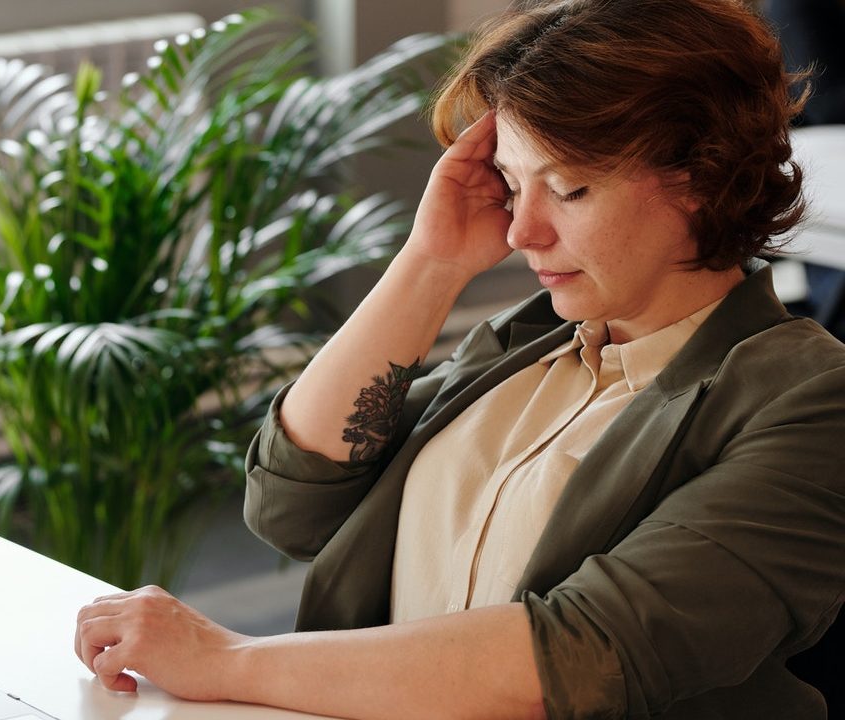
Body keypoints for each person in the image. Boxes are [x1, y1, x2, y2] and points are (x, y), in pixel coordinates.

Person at [74, 0, 845, 717]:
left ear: (706, 178)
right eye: (513, 185)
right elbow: (293, 502)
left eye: (570, 189)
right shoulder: (527, 344)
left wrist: (229, 658)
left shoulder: (809, 400)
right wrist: (430, 262)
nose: (522, 233)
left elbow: (589, 653)